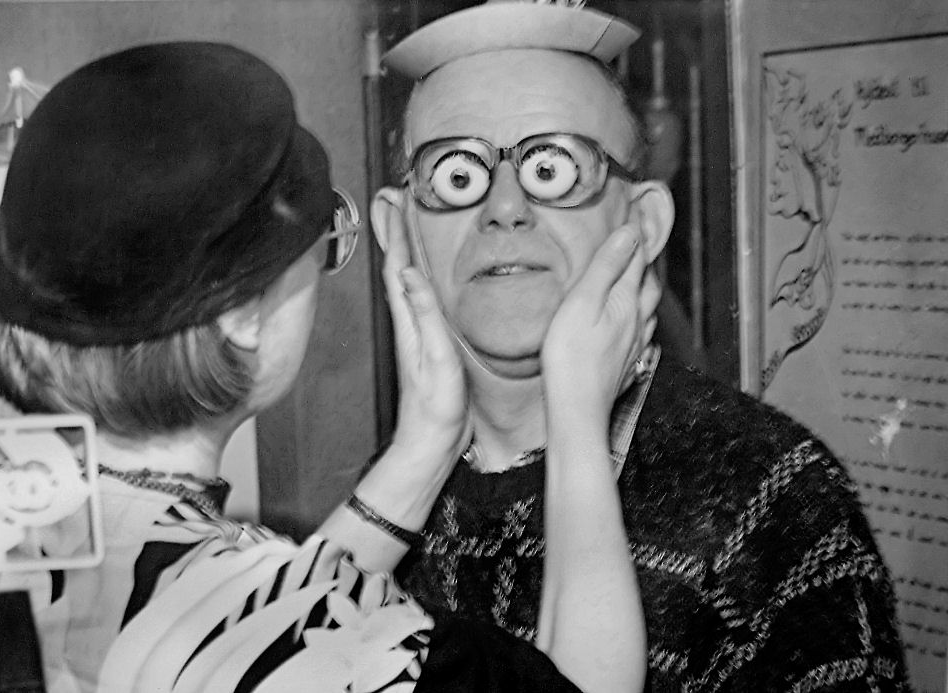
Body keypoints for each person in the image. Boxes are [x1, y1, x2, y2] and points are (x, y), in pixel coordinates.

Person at [0, 40, 655, 693]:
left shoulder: (9, 544)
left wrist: (423, 447)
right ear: (242, 311)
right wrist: (578, 416)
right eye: (322, 247)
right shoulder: (352, 640)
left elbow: (254, 630)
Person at [370, 2, 911, 691]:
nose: (504, 208)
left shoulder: (766, 499)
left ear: (645, 222)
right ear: (397, 226)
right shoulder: (390, 504)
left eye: (553, 167)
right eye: (458, 174)